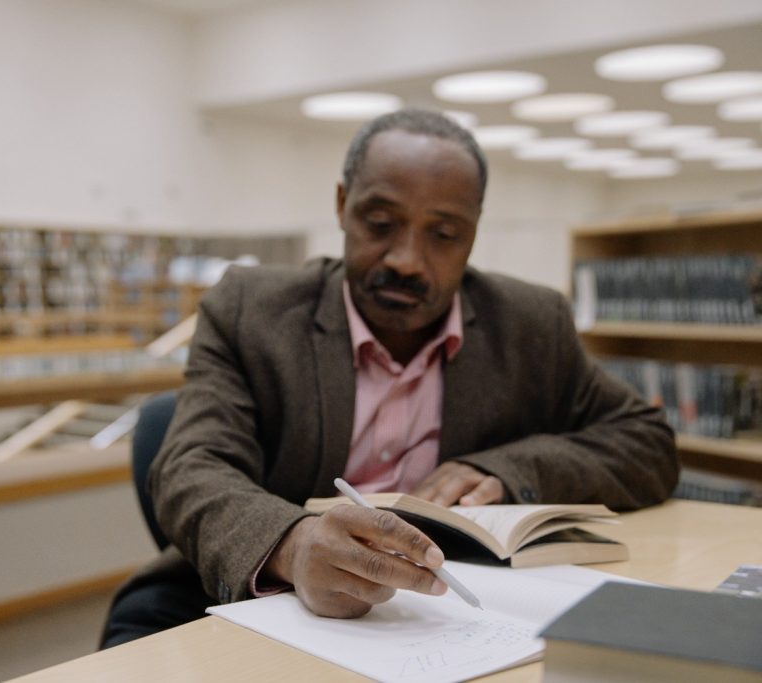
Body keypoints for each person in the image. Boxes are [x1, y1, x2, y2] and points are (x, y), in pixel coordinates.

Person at [100, 108, 678, 647]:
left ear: (473, 233)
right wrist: (293, 543)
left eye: (443, 234)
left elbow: (646, 442)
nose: (405, 258)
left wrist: (506, 469)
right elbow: (189, 466)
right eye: (380, 222)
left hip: (450, 613)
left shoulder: (530, 325)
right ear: (342, 205)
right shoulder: (251, 311)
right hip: (250, 595)